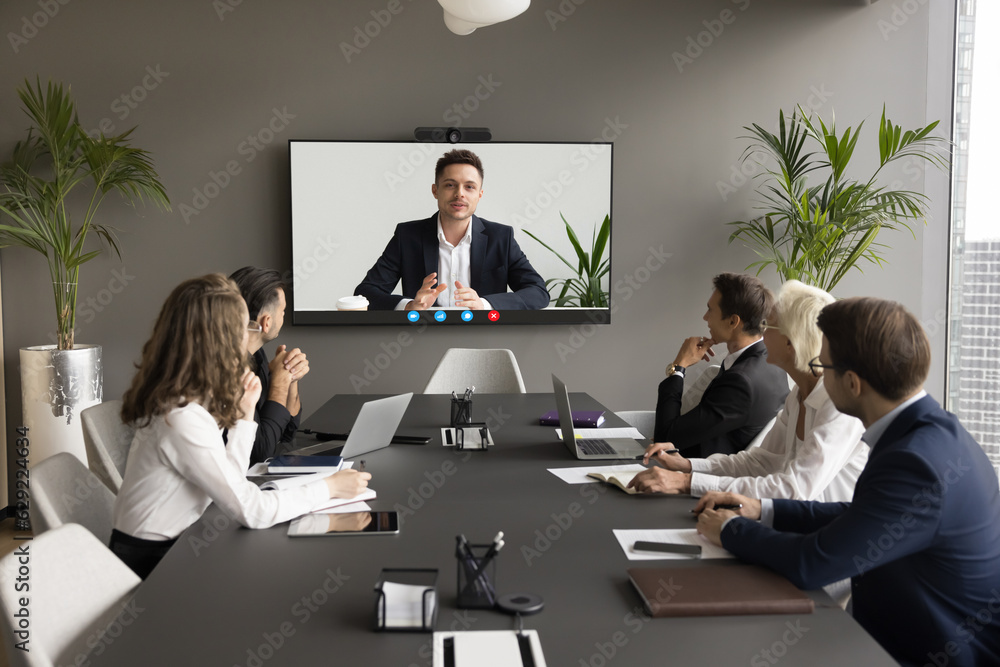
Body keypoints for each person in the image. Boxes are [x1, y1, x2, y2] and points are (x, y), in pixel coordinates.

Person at [695, 297, 1000, 667]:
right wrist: (765, 509)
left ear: (852, 383)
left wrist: (732, 531)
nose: (818, 373)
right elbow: (862, 516)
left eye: (823, 365)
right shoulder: (931, 433)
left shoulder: (914, 462)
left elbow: (812, 563)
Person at [110, 274, 371, 579]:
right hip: (152, 564)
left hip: (180, 541)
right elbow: (253, 510)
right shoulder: (180, 417)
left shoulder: (189, 398)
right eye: (242, 328)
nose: (247, 337)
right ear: (220, 341)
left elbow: (233, 478)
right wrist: (330, 488)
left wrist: (246, 416)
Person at [630, 280, 867, 500]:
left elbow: (795, 490)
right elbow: (760, 462)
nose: (760, 332)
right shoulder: (799, 395)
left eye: (768, 325)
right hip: (795, 521)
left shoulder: (840, 406)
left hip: (830, 532)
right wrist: (689, 467)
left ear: (791, 342)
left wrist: (686, 482)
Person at [355, 149, 549, 311]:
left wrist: (484, 304)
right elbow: (365, 293)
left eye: (469, 187)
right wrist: (410, 305)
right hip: (420, 340)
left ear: (479, 194)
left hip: (485, 340)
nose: (459, 194)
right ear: (435, 190)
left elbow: (538, 292)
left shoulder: (501, 237)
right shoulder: (408, 236)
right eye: (450, 185)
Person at [652, 272, 789, 458]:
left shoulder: (741, 382)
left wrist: (679, 366)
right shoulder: (771, 360)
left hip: (696, 473)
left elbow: (666, 437)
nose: (705, 317)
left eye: (710, 310)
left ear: (733, 321)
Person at [229, 266, 307, 465]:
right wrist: (279, 384)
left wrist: (290, 377)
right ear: (267, 322)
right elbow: (261, 453)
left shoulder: (258, 356)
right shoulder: (228, 371)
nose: (284, 316)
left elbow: (287, 434)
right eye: (283, 311)